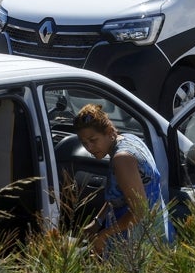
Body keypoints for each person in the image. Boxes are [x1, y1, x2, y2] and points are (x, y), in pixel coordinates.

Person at [73, 103, 173, 255]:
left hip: (138, 244)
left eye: (93, 140)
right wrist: (97, 221)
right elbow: (121, 192)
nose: (89, 148)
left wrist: (104, 235)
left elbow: (139, 211)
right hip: (156, 231)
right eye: (84, 143)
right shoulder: (130, 139)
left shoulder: (122, 159)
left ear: (109, 132)